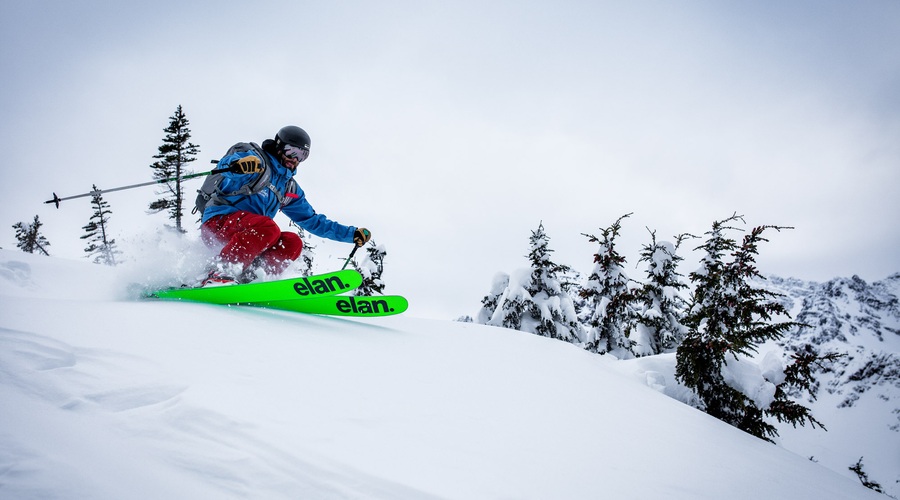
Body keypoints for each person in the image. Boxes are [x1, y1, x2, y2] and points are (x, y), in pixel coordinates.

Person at [198, 125, 370, 286]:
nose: (295, 159)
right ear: (279, 147)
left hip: (250, 233)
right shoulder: (258, 163)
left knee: (292, 242)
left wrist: (350, 234)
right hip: (219, 222)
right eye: (291, 151)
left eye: (302, 155)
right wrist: (239, 165)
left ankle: (252, 279)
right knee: (269, 228)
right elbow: (227, 165)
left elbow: (313, 220)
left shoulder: (288, 188)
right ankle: (219, 272)